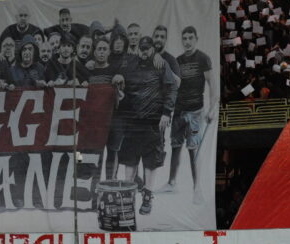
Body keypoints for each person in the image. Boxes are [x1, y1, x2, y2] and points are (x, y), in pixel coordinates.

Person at [117, 36, 178, 215]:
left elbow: (172, 88)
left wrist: (167, 113)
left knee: (151, 161)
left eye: (147, 48)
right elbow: (124, 88)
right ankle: (127, 199)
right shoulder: (130, 65)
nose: (144, 51)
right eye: (141, 48)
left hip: (153, 122)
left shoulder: (161, 65)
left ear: (152, 49)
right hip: (133, 121)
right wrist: (121, 92)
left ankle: (148, 196)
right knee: (130, 161)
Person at [161, 26, 215, 204]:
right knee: (175, 146)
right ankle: (171, 182)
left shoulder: (203, 58)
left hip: (195, 111)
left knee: (194, 151)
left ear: (196, 38)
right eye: (184, 38)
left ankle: (197, 189)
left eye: (190, 37)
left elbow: (212, 85)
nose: (187, 41)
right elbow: (172, 87)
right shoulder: (177, 61)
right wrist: (168, 111)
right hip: (178, 111)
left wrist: (212, 108)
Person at [86, 37, 125, 180]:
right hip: (92, 121)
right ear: (94, 52)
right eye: (99, 49)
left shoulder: (115, 69)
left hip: (112, 119)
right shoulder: (87, 70)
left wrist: (120, 80)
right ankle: (91, 185)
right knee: (91, 153)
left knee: (112, 151)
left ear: (109, 52)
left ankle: (110, 183)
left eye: (104, 49)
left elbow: (122, 88)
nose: (101, 52)